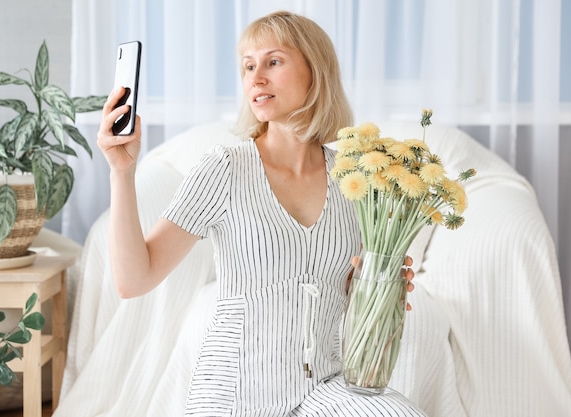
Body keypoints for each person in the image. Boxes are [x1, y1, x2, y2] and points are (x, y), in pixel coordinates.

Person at [97, 10, 425, 417]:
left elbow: (345, 293)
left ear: (315, 70)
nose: (255, 77)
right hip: (234, 392)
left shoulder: (352, 179)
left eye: (273, 61)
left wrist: (381, 285)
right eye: (248, 66)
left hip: (322, 387)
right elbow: (133, 280)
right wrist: (121, 172)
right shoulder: (225, 168)